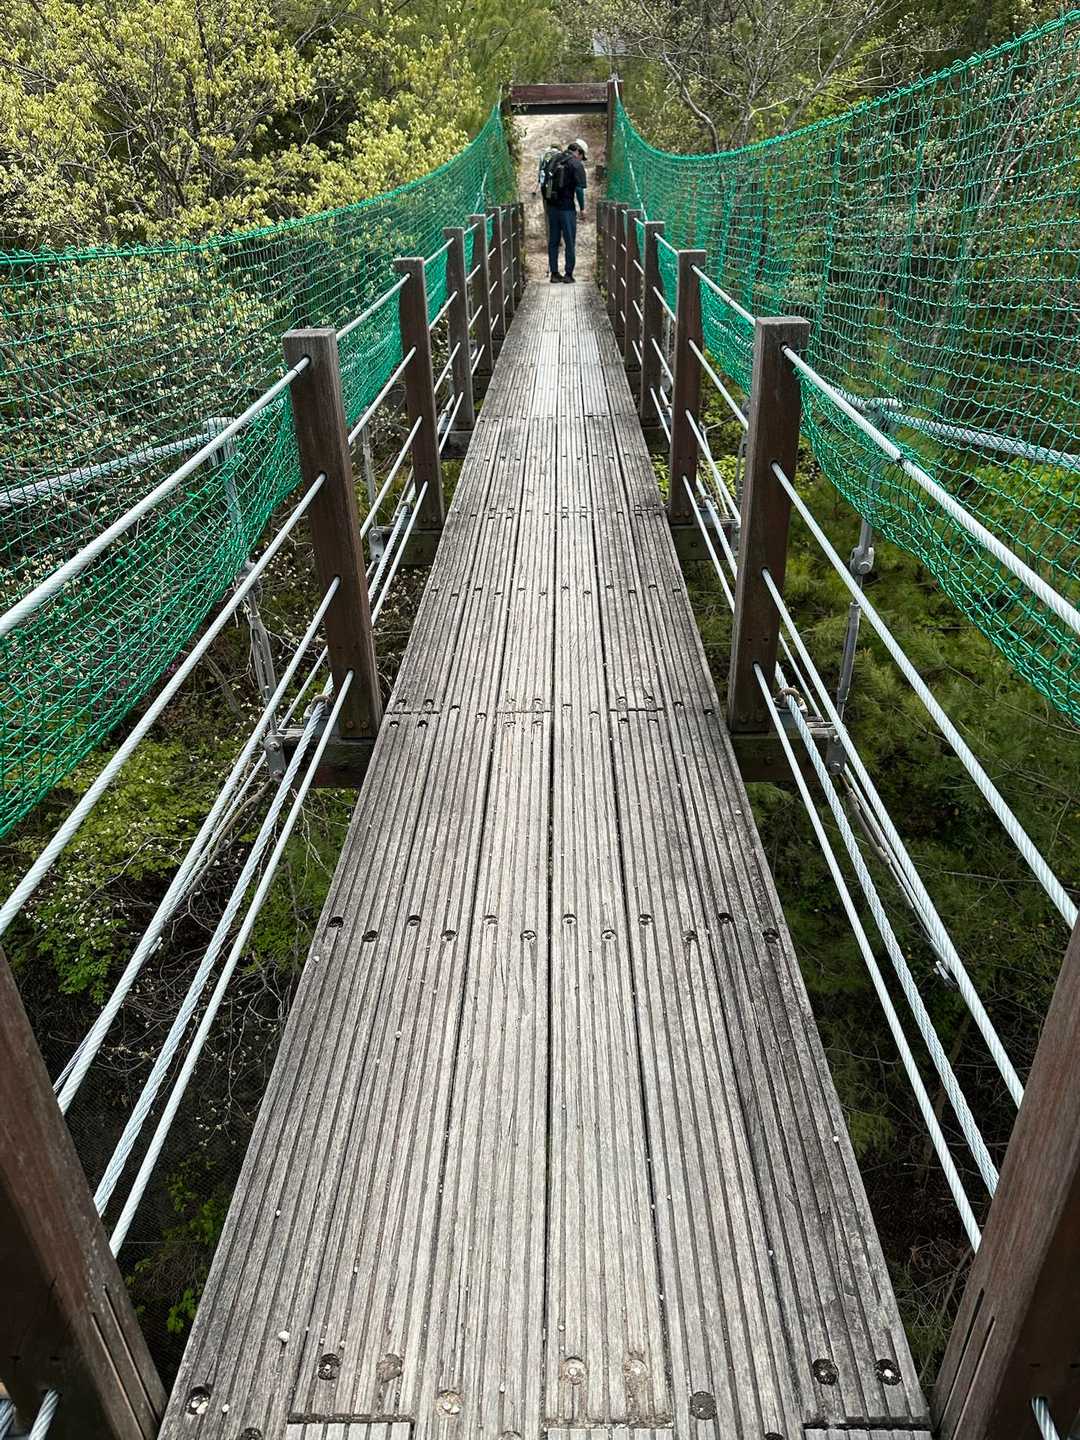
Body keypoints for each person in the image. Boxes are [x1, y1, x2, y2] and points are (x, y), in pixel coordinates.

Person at [546, 138, 588, 283]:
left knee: (553, 241)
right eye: (582, 156)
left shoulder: (554, 159)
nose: (581, 159)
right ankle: (568, 275)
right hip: (567, 209)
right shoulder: (576, 164)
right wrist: (582, 208)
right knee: (569, 242)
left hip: (552, 207)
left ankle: (554, 274)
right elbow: (579, 189)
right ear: (579, 152)